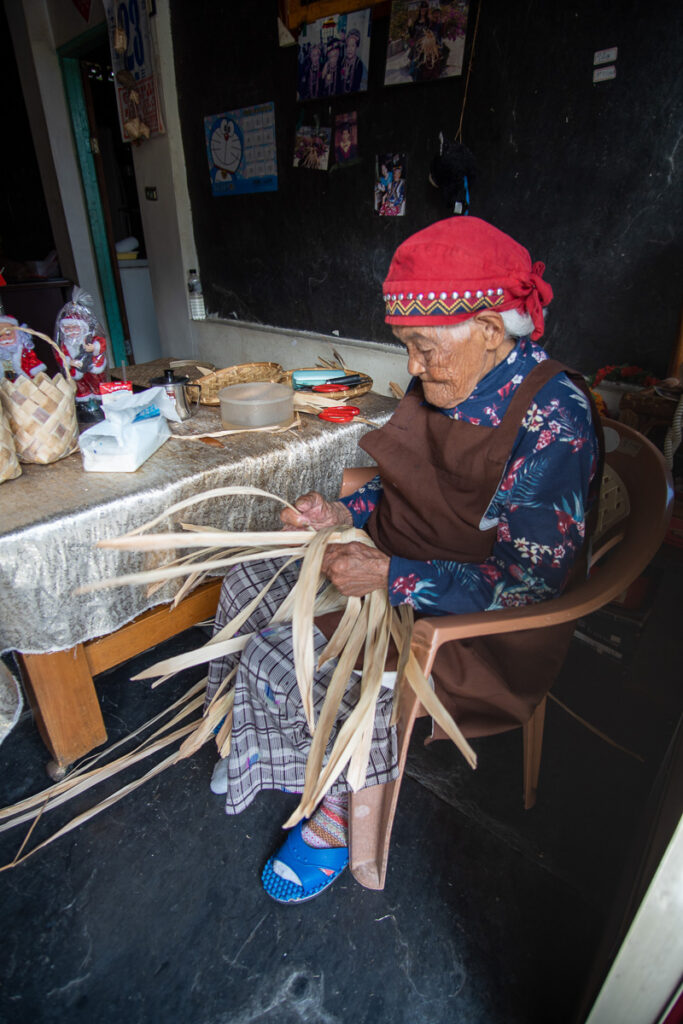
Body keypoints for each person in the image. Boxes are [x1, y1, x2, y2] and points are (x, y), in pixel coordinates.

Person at [206, 216, 602, 904]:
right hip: (399, 565)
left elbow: (527, 590)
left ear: (487, 327)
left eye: (422, 346)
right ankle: (263, 741)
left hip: (471, 627)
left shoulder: (553, 420)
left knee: (334, 663)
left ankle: (333, 816)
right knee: (252, 578)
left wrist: (389, 576)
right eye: (406, 346)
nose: (412, 367)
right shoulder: (446, 378)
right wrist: (341, 516)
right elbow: (404, 486)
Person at [339, 28, 365, 94]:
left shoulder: (359, 64)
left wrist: (347, 76)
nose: (349, 49)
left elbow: (356, 87)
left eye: (353, 46)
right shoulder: (342, 61)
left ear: (357, 47)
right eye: (348, 46)